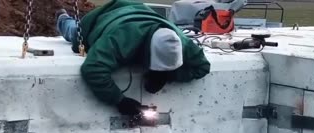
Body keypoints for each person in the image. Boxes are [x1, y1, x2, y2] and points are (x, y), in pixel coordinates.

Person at [56, 0, 211, 116]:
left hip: (141, 11)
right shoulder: (120, 39)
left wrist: (169, 75)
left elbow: (203, 67)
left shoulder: (181, 41)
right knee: (74, 34)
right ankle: (63, 18)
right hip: (109, 16)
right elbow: (92, 69)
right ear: (147, 52)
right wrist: (120, 101)